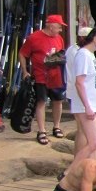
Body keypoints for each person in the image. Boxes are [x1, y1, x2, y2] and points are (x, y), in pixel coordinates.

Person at [20, 15, 68, 145]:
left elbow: (62, 53)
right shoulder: (34, 38)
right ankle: (41, 130)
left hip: (56, 75)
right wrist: (25, 71)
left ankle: (56, 126)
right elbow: (22, 54)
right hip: (41, 76)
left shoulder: (59, 38)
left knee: (58, 101)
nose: (60, 30)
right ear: (50, 25)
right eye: (58, 27)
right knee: (41, 102)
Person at [67, 26, 96, 170]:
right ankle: (70, 171)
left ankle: (91, 173)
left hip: (93, 104)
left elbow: (93, 84)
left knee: (93, 143)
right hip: (86, 105)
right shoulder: (83, 55)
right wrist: (88, 106)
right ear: (95, 39)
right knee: (94, 143)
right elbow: (80, 82)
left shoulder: (90, 55)